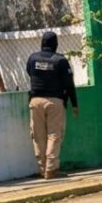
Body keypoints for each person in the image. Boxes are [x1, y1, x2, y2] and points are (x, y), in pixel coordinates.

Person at [26, 30, 79, 179]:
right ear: (56, 44)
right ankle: (51, 169)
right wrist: (74, 103)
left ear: (42, 43)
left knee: (38, 135)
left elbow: (30, 73)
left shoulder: (33, 58)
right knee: (54, 135)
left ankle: (42, 168)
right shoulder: (60, 60)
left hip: (35, 101)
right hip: (55, 101)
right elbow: (69, 84)